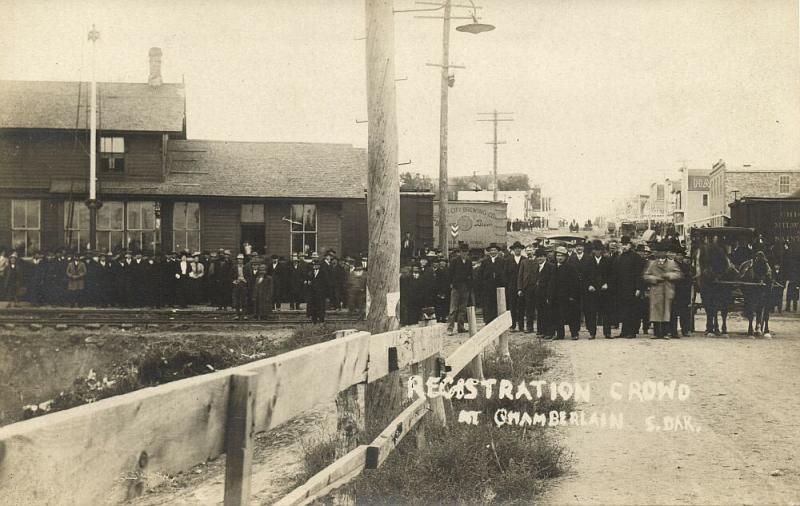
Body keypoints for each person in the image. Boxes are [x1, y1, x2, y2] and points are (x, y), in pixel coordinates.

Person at [643, 243, 682, 339]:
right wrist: (654, 278)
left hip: (667, 289)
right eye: (659, 251)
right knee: (656, 311)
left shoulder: (672, 263)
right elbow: (646, 275)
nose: (660, 254)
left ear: (665, 253)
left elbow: (678, 274)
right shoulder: (652, 263)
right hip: (656, 290)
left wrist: (669, 275)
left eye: (663, 251)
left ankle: (665, 332)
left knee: (666, 311)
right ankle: (656, 333)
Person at [614, 236, 645, 338]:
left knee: (632, 310)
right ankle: (624, 331)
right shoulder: (620, 257)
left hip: (632, 288)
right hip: (621, 288)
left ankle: (632, 331)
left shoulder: (636, 257)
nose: (624, 246)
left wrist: (638, 288)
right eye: (622, 244)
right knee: (623, 310)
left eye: (626, 244)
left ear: (630, 245)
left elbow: (639, 274)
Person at [581, 240, 612, 339]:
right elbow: (584, 277)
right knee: (591, 312)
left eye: (599, 250)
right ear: (593, 250)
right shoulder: (588, 262)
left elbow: (612, 276)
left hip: (605, 291)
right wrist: (588, 285)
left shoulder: (607, 261)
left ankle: (607, 333)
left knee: (606, 312)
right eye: (595, 250)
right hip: (592, 291)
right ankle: (592, 333)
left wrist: (607, 284)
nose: (597, 252)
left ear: (602, 251)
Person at [547, 246, 580, 340]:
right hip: (556, 297)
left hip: (567, 297)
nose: (559, 257)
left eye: (562, 256)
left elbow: (575, 283)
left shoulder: (570, 268)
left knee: (571, 315)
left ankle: (574, 333)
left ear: (565, 257)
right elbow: (551, 283)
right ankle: (560, 334)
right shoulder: (553, 267)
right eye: (558, 255)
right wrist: (550, 295)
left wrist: (572, 296)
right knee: (557, 315)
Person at [447, 244, 472, 335]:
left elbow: (471, 274)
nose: (464, 253)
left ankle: (460, 327)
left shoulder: (469, 261)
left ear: (468, 252)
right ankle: (450, 328)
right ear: (459, 252)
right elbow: (450, 274)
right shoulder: (454, 261)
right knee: (453, 309)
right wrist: (451, 284)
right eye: (462, 251)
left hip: (465, 288)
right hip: (456, 287)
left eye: (466, 251)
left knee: (463, 309)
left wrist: (469, 286)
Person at [479, 243, 505, 324]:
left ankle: (497, 321)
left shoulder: (502, 261)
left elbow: (504, 274)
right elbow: (480, 274)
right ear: (489, 252)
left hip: (498, 287)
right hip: (487, 287)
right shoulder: (485, 262)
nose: (493, 252)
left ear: (497, 251)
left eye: (495, 250)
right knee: (487, 304)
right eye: (491, 250)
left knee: (497, 304)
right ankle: (488, 321)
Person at [670, 246, 692, 337]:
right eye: (677, 254)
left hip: (684, 292)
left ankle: (685, 330)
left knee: (684, 312)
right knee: (673, 312)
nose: (679, 256)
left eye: (681, 255)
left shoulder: (686, 266)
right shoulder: (671, 266)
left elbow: (689, 279)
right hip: (674, 290)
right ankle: (673, 331)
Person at [517, 245, 540, 334]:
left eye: (531, 250)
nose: (529, 252)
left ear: (534, 250)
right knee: (529, 308)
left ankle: (540, 328)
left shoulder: (538, 260)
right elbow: (520, 276)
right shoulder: (523, 262)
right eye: (527, 250)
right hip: (527, 288)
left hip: (537, 287)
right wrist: (519, 288)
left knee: (538, 308)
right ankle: (529, 327)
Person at [504, 241, 526, 332]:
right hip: (511, 287)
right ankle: (512, 325)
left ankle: (521, 326)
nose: (517, 250)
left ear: (521, 249)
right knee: (512, 306)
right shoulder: (508, 260)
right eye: (516, 248)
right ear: (513, 250)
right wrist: (508, 285)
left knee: (521, 306)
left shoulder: (525, 260)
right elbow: (505, 274)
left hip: (521, 287)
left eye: (519, 248)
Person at [305, 258, 329, 323]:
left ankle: (321, 319)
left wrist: (324, 292)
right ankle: (314, 319)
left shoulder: (323, 272)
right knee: (313, 306)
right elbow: (308, 280)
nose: (315, 266)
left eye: (316, 265)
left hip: (320, 293)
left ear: (319, 266)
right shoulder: (311, 272)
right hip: (313, 293)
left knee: (320, 306)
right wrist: (308, 282)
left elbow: (326, 283)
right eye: (314, 265)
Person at [231, 254, 250, 319]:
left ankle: (244, 315)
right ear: (237, 260)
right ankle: (237, 314)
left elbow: (249, 276)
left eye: (241, 259)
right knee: (236, 299)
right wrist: (235, 281)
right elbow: (230, 276)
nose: (240, 260)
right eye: (239, 259)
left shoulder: (246, 267)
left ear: (243, 260)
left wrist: (245, 280)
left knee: (244, 299)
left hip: (244, 284)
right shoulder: (234, 267)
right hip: (236, 284)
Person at [433, 257, 450, 323]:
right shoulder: (437, 271)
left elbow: (447, 281)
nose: (442, 263)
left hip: (445, 290)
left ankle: (443, 317)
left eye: (444, 262)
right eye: (441, 261)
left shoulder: (448, 271)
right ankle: (438, 317)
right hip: (437, 290)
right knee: (438, 304)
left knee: (444, 305)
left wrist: (444, 291)